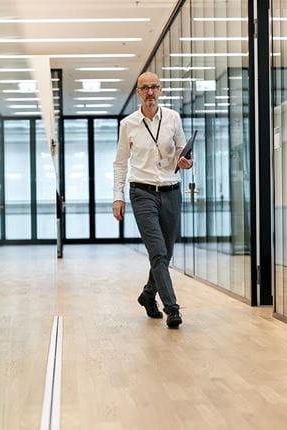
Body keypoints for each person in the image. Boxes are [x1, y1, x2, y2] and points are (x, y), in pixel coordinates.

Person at [113, 71, 193, 329]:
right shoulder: (129, 124)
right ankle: (172, 308)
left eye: (154, 87)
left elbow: (183, 152)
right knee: (157, 252)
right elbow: (120, 162)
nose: (150, 92)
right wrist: (118, 197)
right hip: (142, 192)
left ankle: (148, 295)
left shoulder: (173, 118)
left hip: (171, 190)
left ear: (160, 90)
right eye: (144, 88)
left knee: (165, 254)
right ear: (138, 92)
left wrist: (186, 162)